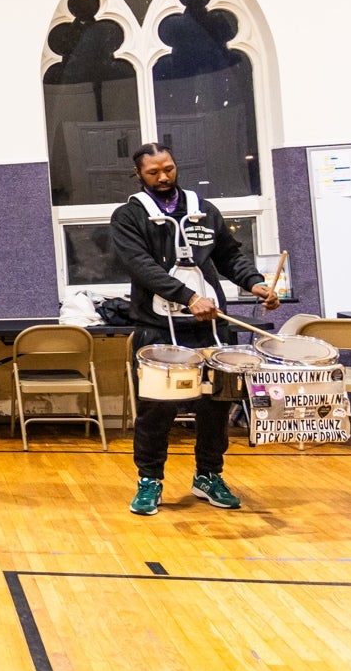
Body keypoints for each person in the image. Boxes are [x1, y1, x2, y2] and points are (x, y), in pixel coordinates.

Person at [112, 142, 279, 516]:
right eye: (153, 172)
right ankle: (149, 481)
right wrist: (188, 297)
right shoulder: (128, 216)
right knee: (157, 411)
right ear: (138, 175)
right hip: (158, 329)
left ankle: (208, 475)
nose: (163, 177)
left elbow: (229, 256)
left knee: (216, 408)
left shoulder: (205, 211)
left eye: (168, 168)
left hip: (211, 330)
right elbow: (140, 265)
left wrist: (255, 283)